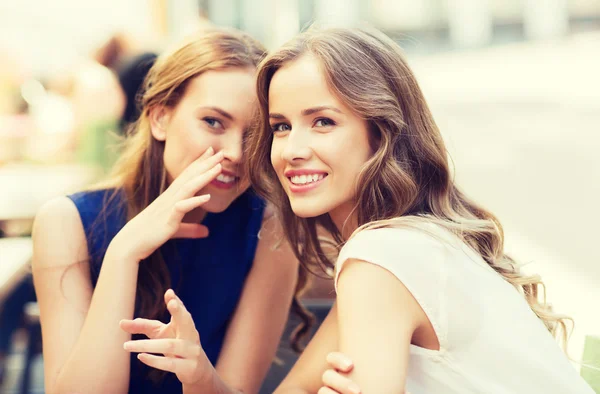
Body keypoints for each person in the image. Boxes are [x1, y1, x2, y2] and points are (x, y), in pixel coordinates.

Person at [124, 27, 595, 393]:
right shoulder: (406, 245)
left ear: (382, 130)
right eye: (282, 126)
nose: (291, 150)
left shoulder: (380, 259)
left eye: (323, 121)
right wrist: (202, 376)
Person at [31, 28, 302, 394]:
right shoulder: (67, 223)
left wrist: (199, 375)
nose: (236, 153)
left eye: (255, 135)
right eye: (213, 122)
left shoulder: (270, 230)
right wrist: (124, 253)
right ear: (160, 118)